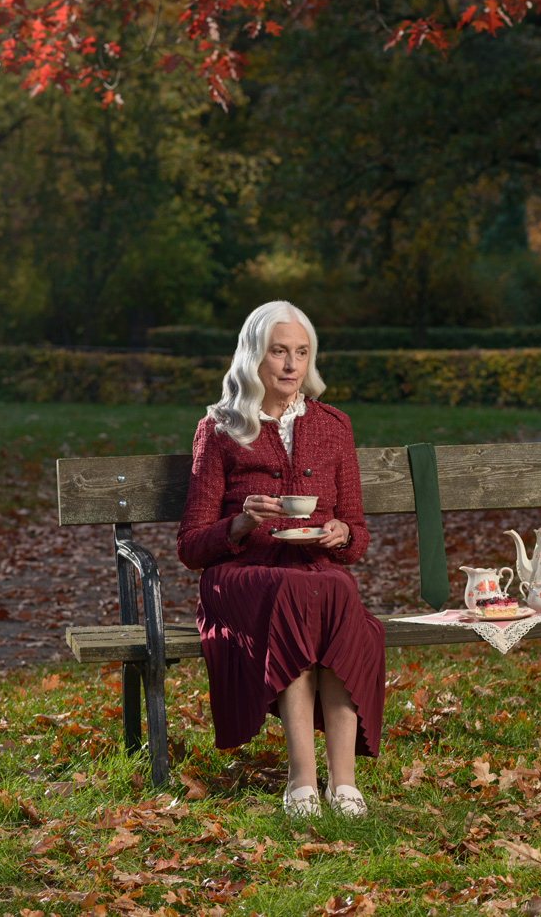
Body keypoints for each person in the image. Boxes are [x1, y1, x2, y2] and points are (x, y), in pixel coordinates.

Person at [176, 301, 382, 818]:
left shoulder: (334, 425)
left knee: (335, 588)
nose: (292, 365)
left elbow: (357, 538)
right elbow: (190, 547)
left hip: (312, 572)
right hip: (240, 577)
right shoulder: (219, 429)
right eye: (278, 352)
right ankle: (302, 781)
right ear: (254, 356)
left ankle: (344, 784)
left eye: (302, 352)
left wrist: (339, 533)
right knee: (298, 594)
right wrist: (241, 524)